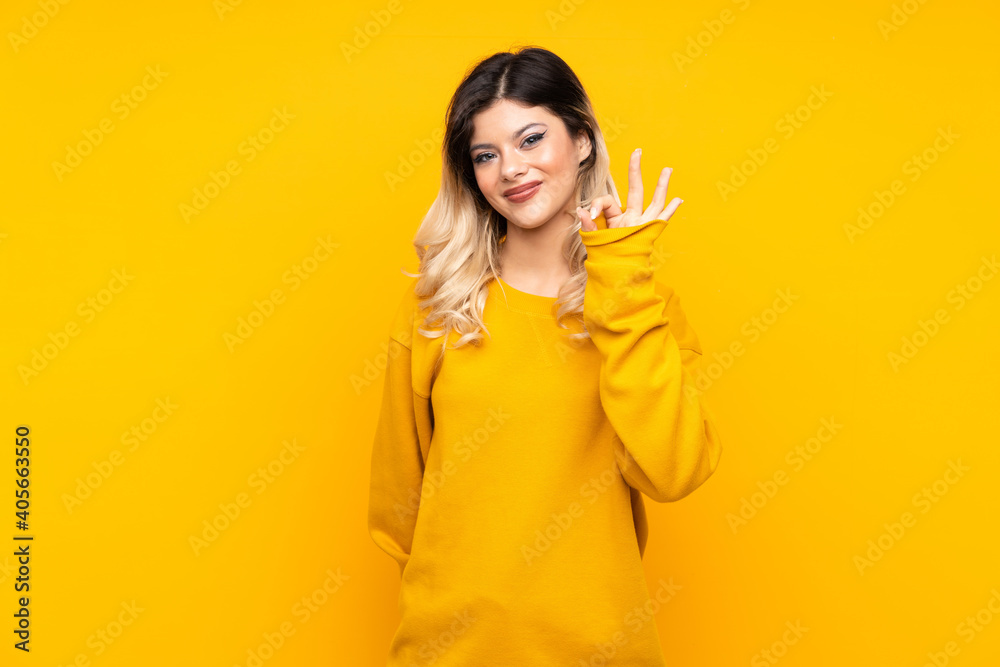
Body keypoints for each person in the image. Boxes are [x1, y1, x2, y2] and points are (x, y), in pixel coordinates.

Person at [367, 45, 723, 666]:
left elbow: (674, 470)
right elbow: (398, 506)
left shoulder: (640, 305)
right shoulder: (437, 308)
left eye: (531, 139)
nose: (511, 169)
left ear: (582, 140)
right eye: (487, 155)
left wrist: (619, 278)